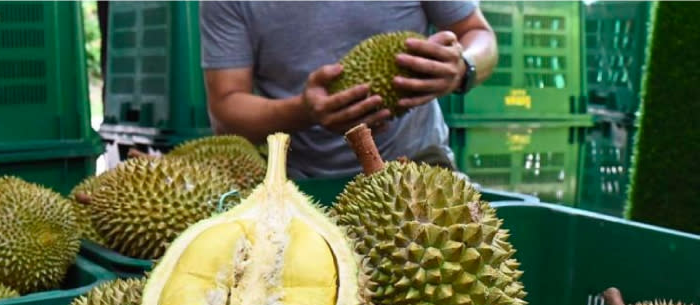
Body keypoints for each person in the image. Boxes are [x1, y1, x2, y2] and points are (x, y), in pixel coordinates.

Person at [199, 1, 497, 179]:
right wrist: (305, 110)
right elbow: (225, 110)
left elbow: (479, 34)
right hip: (298, 183)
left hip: (420, 168)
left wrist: (463, 67)